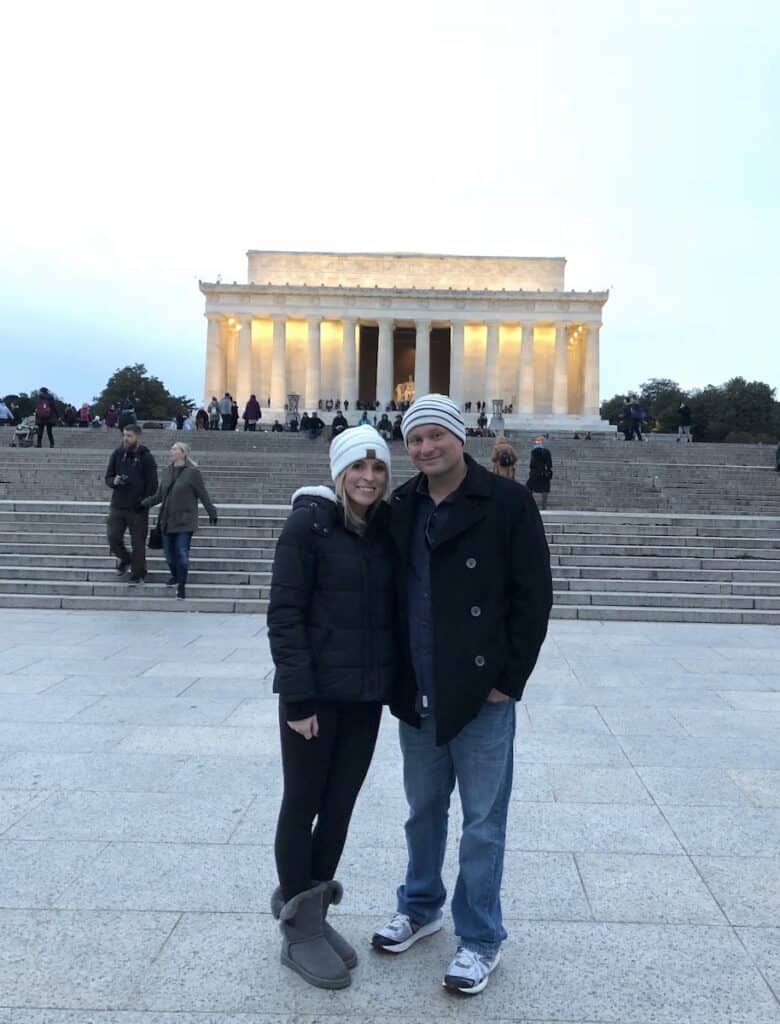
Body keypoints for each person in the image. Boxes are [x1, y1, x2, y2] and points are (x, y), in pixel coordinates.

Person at [371, 394, 552, 995]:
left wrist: (509, 678)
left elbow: (534, 596)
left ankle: (479, 937)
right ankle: (420, 907)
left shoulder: (508, 501)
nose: (424, 448)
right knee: (422, 812)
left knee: (482, 824)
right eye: (413, 439)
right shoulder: (401, 504)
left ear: (460, 436)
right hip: (418, 688)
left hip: (481, 694)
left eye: (435, 437)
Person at [267, 425, 396, 990]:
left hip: (363, 697)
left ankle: (314, 911)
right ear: (339, 472)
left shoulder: (379, 530)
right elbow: (285, 613)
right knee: (303, 803)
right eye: (358, 469)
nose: (368, 479)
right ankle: (298, 929)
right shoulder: (309, 523)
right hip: (315, 697)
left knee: (339, 807)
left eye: (378, 470)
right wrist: (297, 698)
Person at [141, 442, 217, 600]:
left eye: (175, 449)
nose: (171, 451)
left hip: (185, 521)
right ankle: (176, 576)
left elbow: (202, 493)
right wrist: (143, 504)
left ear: (183, 453)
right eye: (172, 449)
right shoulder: (167, 471)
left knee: (181, 553)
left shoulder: (193, 473)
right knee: (169, 555)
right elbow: (160, 495)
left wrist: (211, 511)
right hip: (167, 521)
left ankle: (181, 586)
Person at [104, 424, 158, 584]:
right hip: (118, 505)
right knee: (113, 537)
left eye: (129, 436)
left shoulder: (146, 457)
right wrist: (113, 481)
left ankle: (138, 573)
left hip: (138, 508)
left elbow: (153, 484)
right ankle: (125, 559)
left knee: (138, 543)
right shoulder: (117, 454)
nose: (126, 439)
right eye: (124, 435)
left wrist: (144, 502)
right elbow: (108, 477)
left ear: (138, 437)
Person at [526, 436, 553, 510]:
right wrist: (548, 470)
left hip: (535, 473)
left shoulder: (534, 452)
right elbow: (549, 464)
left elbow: (532, 464)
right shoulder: (547, 451)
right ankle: (544, 506)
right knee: (545, 489)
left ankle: (529, 504)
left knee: (529, 488)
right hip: (544, 473)